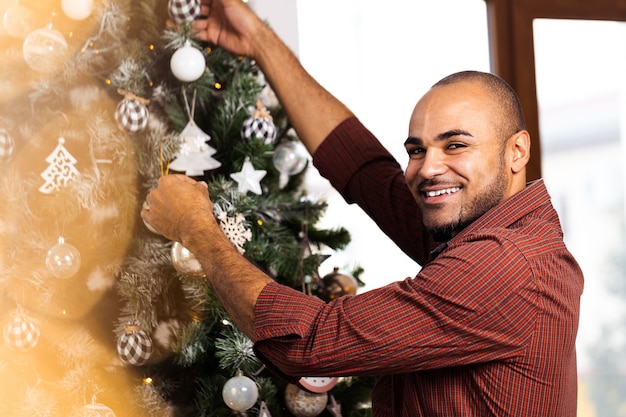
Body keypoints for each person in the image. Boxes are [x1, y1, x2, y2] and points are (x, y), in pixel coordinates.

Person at [142, 0, 584, 415]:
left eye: (455, 144)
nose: (428, 169)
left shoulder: (505, 264)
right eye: (416, 149)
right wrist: (258, 40)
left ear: (517, 152)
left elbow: (310, 343)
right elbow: (365, 171)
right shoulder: (479, 227)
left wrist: (197, 229)